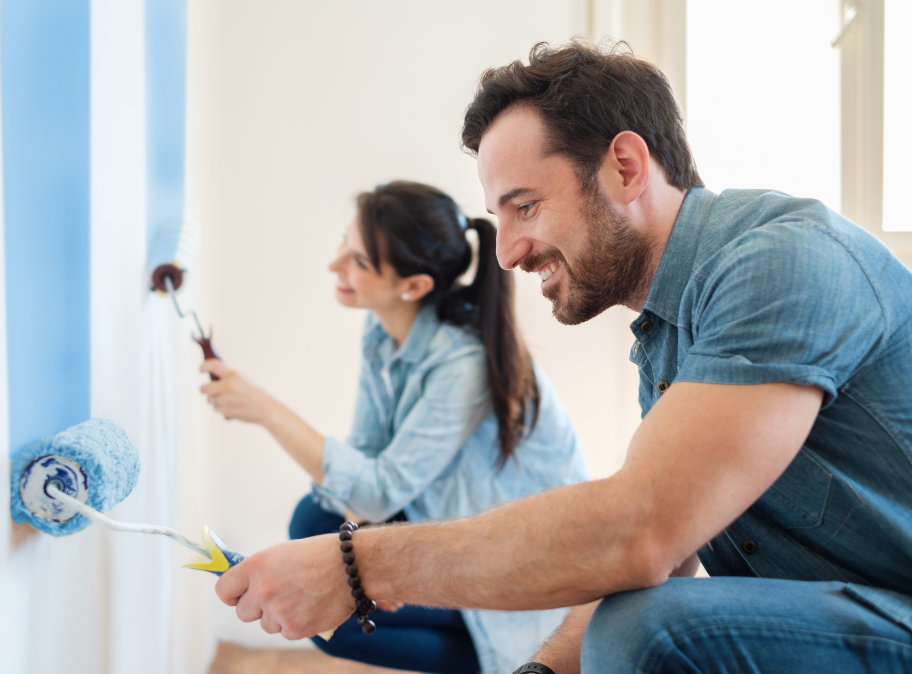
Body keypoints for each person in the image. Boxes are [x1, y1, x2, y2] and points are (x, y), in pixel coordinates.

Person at [211, 40, 912, 674]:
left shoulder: (783, 261)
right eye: (498, 220)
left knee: (650, 632)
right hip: (842, 614)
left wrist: (357, 569)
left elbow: (640, 532)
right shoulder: (666, 339)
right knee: (634, 620)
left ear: (626, 167)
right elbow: (665, 551)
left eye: (525, 207)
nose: (509, 252)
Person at [199, 180, 589, 674]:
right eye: (346, 241)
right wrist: (367, 566)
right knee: (315, 526)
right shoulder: (382, 331)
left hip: (517, 563)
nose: (335, 264)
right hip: (445, 518)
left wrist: (265, 410)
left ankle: (493, 653)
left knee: (329, 593)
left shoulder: (462, 364)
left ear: (414, 287)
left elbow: (377, 494)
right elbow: (365, 458)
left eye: (359, 261)